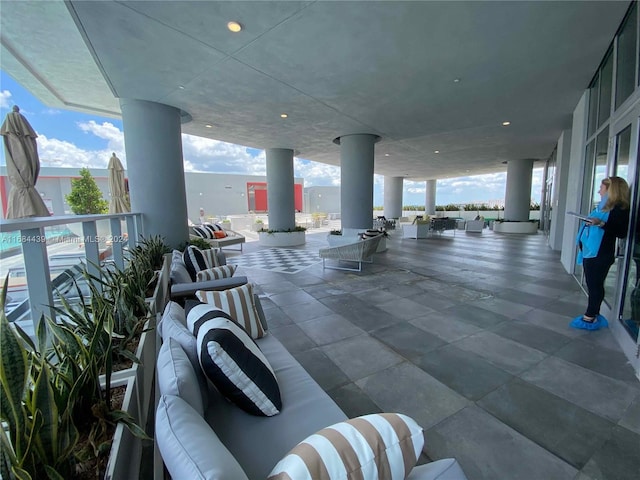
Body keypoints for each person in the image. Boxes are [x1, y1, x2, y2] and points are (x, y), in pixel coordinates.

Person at [572, 176, 630, 330]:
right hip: (591, 252)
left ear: (612, 190)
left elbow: (620, 231)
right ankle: (593, 313)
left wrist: (601, 223)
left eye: (602, 189)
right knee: (593, 285)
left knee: (595, 285)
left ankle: (590, 316)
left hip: (600, 254)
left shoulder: (619, 209)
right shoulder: (603, 207)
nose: (599, 191)